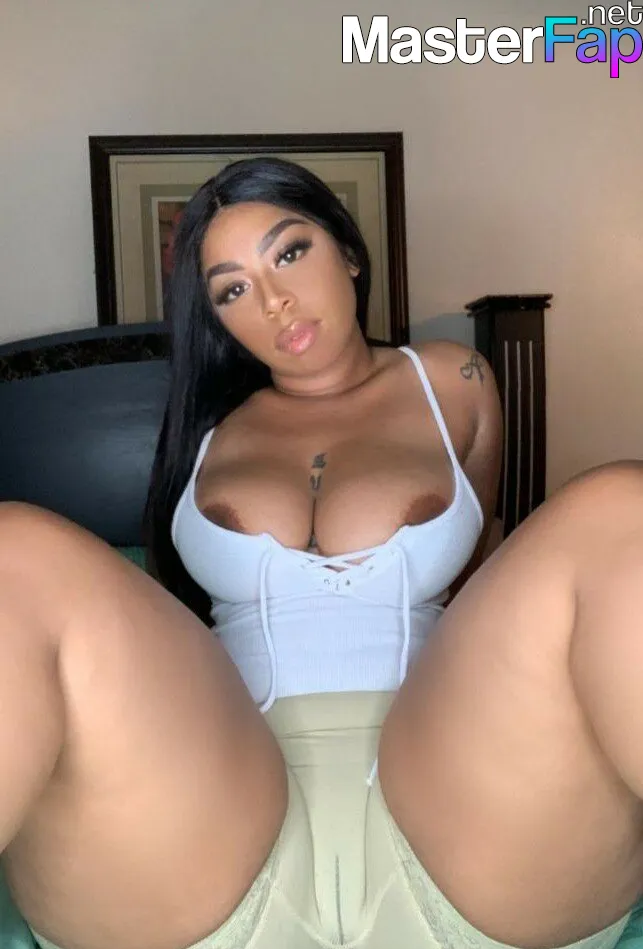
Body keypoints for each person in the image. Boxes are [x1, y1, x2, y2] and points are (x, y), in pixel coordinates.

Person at [0, 156, 641, 949]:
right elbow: (154, 632)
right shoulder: (205, 429)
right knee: (14, 549)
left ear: (349, 251)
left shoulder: (456, 380)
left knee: (620, 505)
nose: (273, 301)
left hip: (458, 798)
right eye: (232, 290)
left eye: (290, 252)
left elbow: (484, 574)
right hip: (209, 817)